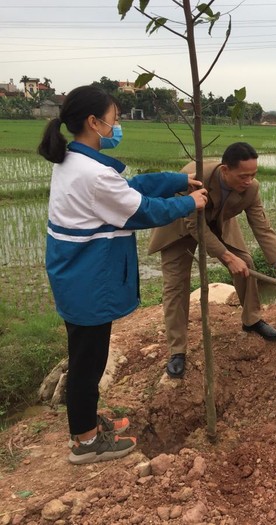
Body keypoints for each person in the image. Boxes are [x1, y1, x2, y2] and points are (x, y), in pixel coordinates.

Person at [38, 85, 208, 464]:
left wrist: (178, 180)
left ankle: (87, 424)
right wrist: (189, 202)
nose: (118, 126)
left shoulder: (77, 162)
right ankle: (85, 443)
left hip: (77, 275)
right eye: (114, 119)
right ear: (93, 122)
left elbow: (130, 188)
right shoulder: (92, 174)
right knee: (88, 362)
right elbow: (141, 210)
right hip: (89, 281)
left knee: (86, 355)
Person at [148, 142, 276, 378]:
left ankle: (252, 319)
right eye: (243, 175)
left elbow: (264, 230)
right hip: (179, 224)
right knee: (176, 285)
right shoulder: (194, 178)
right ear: (224, 169)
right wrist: (226, 257)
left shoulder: (251, 189)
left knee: (246, 263)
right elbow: (193, 225)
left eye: (253, 174)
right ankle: (177, 350)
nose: (249, 180)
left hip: (218, 222)